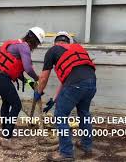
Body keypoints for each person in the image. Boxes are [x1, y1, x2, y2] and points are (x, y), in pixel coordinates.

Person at [34, 31, 97, 161]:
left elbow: (44, 77)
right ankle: (86, 145)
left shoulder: (53, 51)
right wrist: (55, 99)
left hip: (75, 85)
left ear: (55, 42)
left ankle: (66, 153)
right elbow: (67, 80)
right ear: (69, 43)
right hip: (91, 83)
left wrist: (38, 92)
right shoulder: (77, 50)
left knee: (60, 116)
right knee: (84, 113)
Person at [0, 27, 45, 139]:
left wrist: (28, 81)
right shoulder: (24, 47)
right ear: (35, 41)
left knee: (6, 102)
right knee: (16, 105)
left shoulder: (18, 43)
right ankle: (7, 136)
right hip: (1, 76)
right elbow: (28, 68)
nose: (37, 46)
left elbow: (15, 68)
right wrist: (36, 78)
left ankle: (5, 131)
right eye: (38, 44)